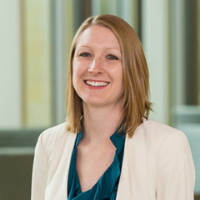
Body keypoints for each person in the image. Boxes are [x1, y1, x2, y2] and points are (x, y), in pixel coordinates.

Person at [31, 14, 195, 200]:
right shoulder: (49, 143)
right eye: (85, 54)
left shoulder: (168, 146)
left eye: (111, 57)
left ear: (132, 70)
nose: (94, 68)